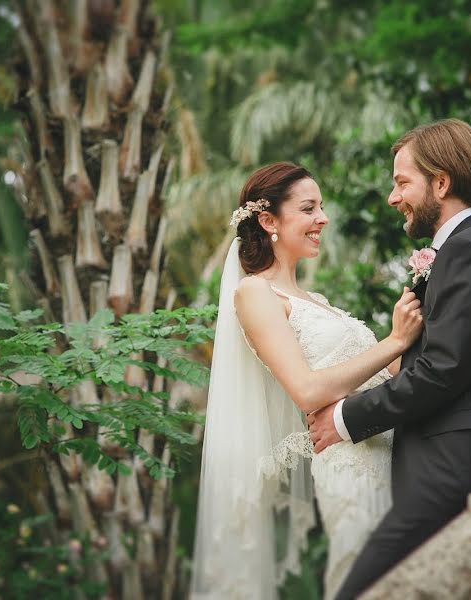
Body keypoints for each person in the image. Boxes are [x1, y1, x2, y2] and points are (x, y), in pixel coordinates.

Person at [308, 118, 471, 599]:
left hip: (459, 470)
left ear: (441, 183)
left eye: (402, 182)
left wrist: (343, 418)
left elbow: (443, 370)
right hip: (456, 466)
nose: (392, 196)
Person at [190, 162, 424, 600]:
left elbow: (384, 376)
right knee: (364, 579)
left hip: (399, 459)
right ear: (268, 220)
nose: (323, 218)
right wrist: (394, 340)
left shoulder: (316, 302)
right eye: (309, 208)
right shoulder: (255, 294)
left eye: (322, 207)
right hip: (353, 469)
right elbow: (308, 390)